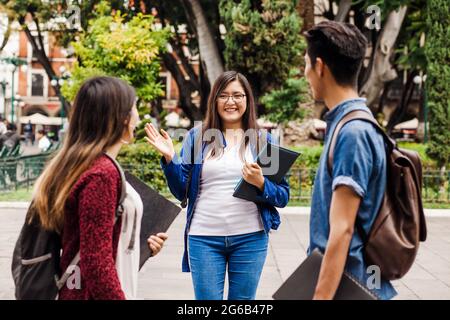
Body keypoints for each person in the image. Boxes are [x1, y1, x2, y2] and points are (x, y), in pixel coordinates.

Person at [145, 71, 290, 300]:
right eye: (223, 95)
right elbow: (181, 190)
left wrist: (261, 184)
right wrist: (170, 159)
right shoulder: (197, 137)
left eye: (237, 95)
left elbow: (282, 196)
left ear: (247, 100)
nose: (230, 101)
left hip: (250, 238)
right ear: (214, 100)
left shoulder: (263, 141)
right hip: (204, 238)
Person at [30, 76, 168, 300]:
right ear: (119, 117)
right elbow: (96, 261)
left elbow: (97, 239)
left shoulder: (91, 165)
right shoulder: (102, 174)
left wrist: (142, 245)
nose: (138, 118)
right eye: (134, 109)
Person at [303, 21, 397, 300]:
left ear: (320, 67)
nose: (305, 73)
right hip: (351, 284)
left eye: (306, 64)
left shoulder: (353, 133)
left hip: (351, 287)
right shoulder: (349, 123)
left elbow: (342, 231)